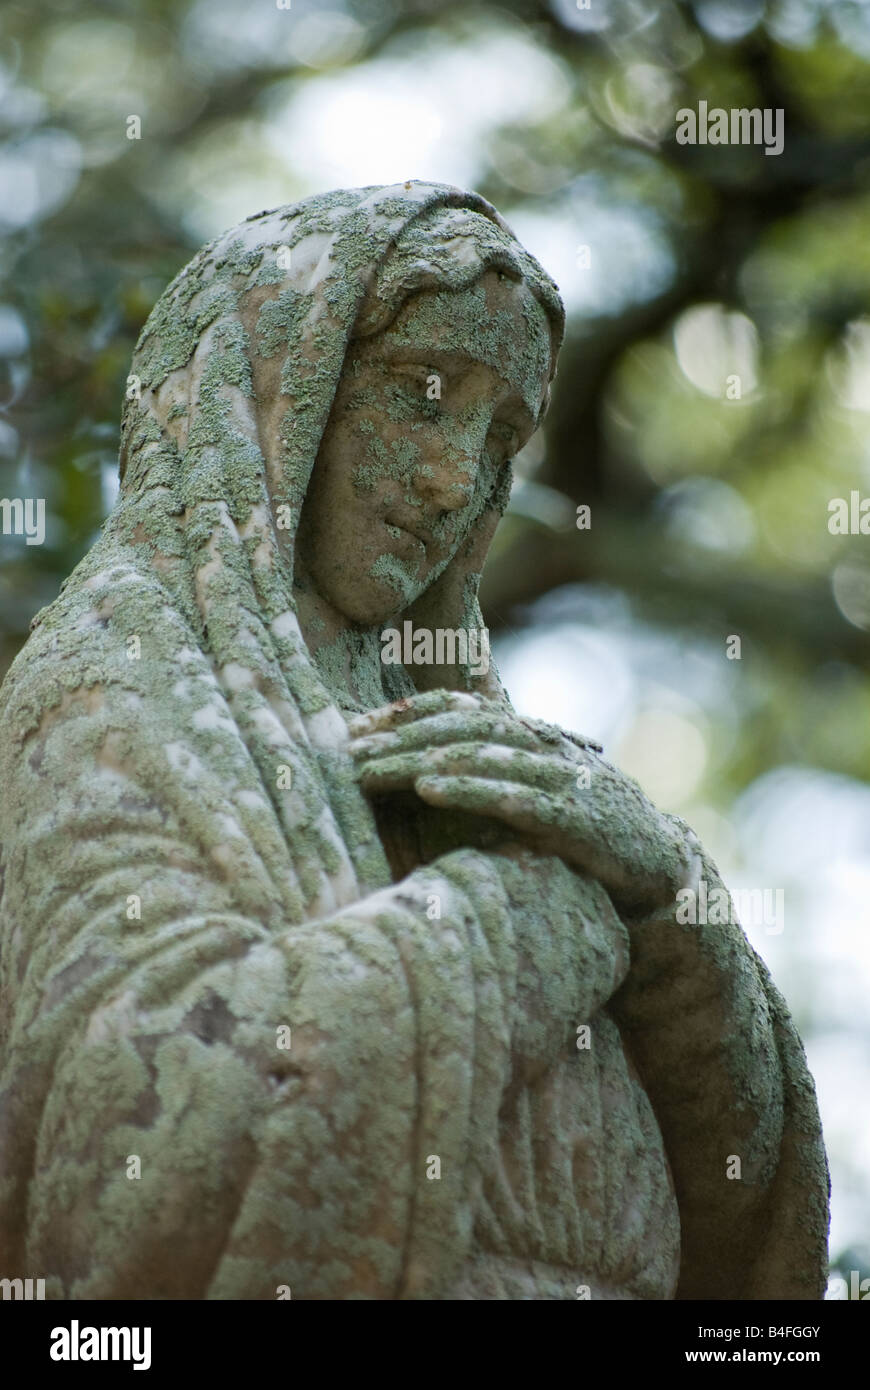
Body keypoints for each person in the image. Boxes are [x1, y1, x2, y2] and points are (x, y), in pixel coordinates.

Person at [0, 181, 828, 1299]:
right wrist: (529, 922)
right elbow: (126, 1164)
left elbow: (750, 1245)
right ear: (283, 382)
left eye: (500, 436)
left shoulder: (500, 755)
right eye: (420, 395)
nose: (455, 481)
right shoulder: (118, 682)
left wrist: (667, 901)